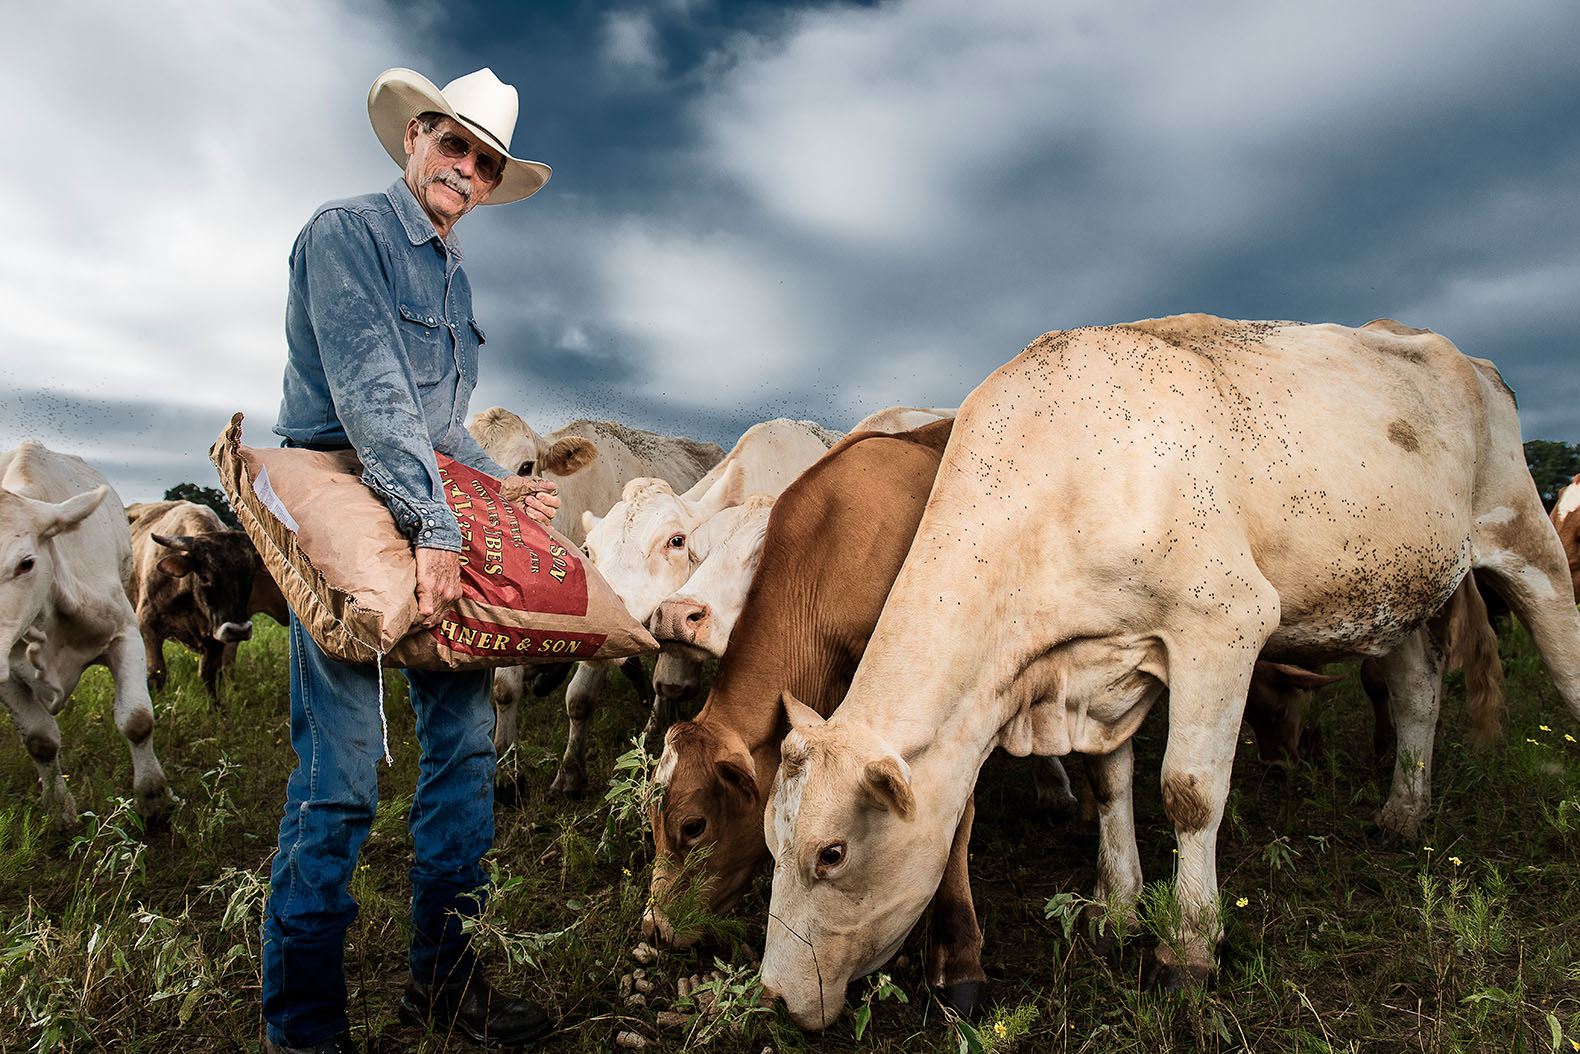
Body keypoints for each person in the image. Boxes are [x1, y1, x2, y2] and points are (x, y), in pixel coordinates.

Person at [262, 66, 560, 1054]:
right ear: (415, 138)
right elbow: (372, 397)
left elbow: (436, 426)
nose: (466, 168)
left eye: (484, 161)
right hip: (345, 501)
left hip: (423, 490)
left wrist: (497, 486)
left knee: (467, 752)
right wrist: (436, 527)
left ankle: (444, 984)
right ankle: (303, 1028)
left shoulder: (451, 273)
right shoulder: (344, 234)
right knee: (342, 777)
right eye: (455, 145)